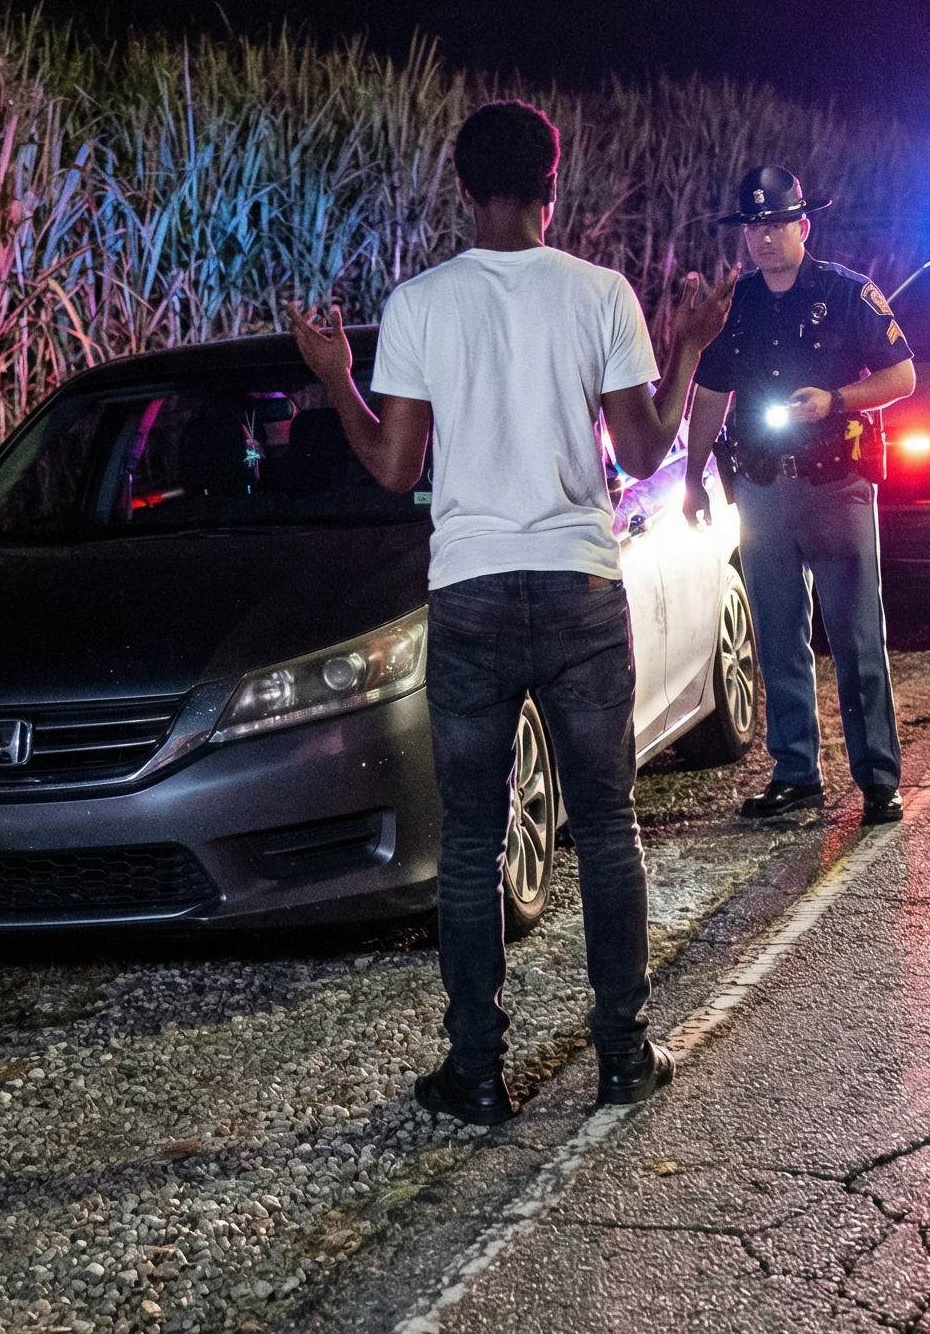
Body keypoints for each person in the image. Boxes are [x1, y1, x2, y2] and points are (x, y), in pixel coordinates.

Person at [288, 99, 736, 1127]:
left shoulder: (419, 304)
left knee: (473, 844)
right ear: (553, 182)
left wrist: (336, 381)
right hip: (579, 585)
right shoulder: (599, 294)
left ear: (459, 184)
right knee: (609, 827)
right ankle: (622, 1053)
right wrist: (688, 350)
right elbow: (637, 451)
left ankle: (476, 1074)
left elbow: (394, 465)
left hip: (473, 594)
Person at [684, 163, 916, 826]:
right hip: (759, 487)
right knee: (778, 639)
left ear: (802, 225)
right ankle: (796, 774)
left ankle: (877, 779)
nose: (762, 239)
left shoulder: (848, 293)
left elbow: (903, 374)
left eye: (776, 224)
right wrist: (692, 476)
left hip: (834, 485)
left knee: (855, 638)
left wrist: (836, 400)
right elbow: (708, 392)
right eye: (753, 227)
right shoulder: (738, 304)